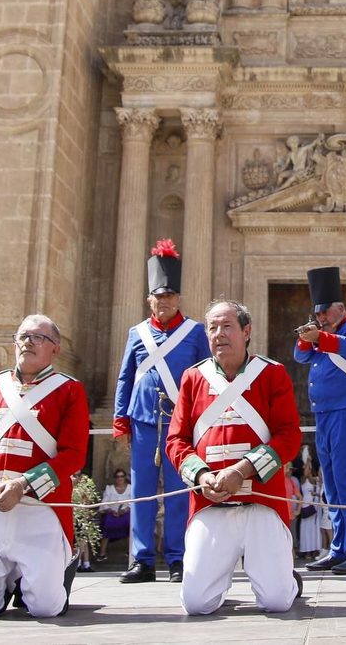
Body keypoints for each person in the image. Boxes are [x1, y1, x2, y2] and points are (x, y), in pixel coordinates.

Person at [167, 300, 303, 616]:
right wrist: (202, 477)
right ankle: (219, 575)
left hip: (262, 502)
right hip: (211, 504)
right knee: (197, 604)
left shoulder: (273, 374)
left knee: (277, 602)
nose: (219, 334)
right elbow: (176, 440)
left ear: (246, 331)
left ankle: (287, 580)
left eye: (227, 326)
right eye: (212, 328)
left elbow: (289, 436)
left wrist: (243, 470)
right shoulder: (192, 378)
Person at [0, 313, 90, 619]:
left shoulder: (70, 390)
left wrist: (21, 485)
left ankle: (56, 575)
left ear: (55, 349)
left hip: (40, 508)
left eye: (38, 337)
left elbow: (74, 455)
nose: (27, 342)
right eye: (22, 336)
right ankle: (10, 580)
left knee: (45, 608)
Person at [111, 240, 209, 584]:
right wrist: (119, 419)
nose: (164, 301)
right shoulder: (136, 333)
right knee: (142, 492)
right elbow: (125, 376)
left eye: (170, 296)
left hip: (180, 423)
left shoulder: (196, 332)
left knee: (180, 492)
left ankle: (178, 557)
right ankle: (142, 560)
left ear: (178, 298)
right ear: (149, 300)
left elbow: (203, 376)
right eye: (158, 296)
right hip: (142, 421)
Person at [294, 266, 346, 574]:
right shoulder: (321, 334)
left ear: (340, 308)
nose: (322, 318)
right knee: (332, 484)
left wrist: (321, 336)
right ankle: (340, 547)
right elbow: (301, 357)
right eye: (318, 315)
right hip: (325, 413)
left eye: (326, 312)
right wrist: (307, 339)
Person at [99, 469, 132, 562]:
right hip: (111, 512)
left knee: (129, 522)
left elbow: (132, 502)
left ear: (124, 477)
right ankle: (102, 553)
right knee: (107, 523)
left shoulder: (130, 488)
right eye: (118, 476)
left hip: (125, 511)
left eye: (122, 476)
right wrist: (111, 511)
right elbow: (104, 503)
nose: (120, 478)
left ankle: (130, 551)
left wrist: (124, 510)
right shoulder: (109, 489)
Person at [296, 470, 322, 558]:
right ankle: (307, 550)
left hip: (316, 507)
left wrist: (317, 494)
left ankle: (316, 549)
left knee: (316, 528)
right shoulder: (303, 480)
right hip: (307, 505)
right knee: (306, 528)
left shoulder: (317, 480)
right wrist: (307, 460)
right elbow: (305, 473)